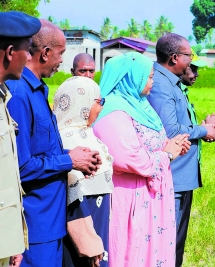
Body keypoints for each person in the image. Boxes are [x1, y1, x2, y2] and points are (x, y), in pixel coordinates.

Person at [6, 20, 102, 267]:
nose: (62, 60)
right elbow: (19, 167)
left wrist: (72, 156)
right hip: (34, 223)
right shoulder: (18, 92)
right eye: (61, 53)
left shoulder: (37, 90)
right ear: (45, 53)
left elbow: (40, 150)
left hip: (50, 220)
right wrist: (69, 160)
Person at [93, 52, 190, 267]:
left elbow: (155, 144)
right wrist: (167, 154)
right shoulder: (113, 112)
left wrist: (172, 145)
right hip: (129, 198)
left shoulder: (141, 107)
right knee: (131, 253)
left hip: (150, 197)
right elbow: (130, 157)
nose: (152, 82)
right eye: (149, 77)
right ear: (131, 78)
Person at [147, 33, 215, 267]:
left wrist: (204, 127)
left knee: (177, 240)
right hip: (173, 175)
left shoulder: (171, 82)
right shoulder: (161, 84)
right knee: (171, 242)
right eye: (189, 56)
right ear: (174, 57)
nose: (191, 61)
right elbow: (171, 130)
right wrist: (203, 129)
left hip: (181, 174)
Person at [53, 76, 114, 267]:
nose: (101, 107)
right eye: (98, 102)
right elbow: (74, 201)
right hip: (81, 236)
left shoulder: (87, 135)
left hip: (97, 224)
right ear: (82, 103)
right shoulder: (69, 142)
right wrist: (89, 244)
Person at [0, 11, 40, 267]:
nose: (29, 58)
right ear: (10, 52)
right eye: (28, 50)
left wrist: (12, 239)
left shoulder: (4, 98)